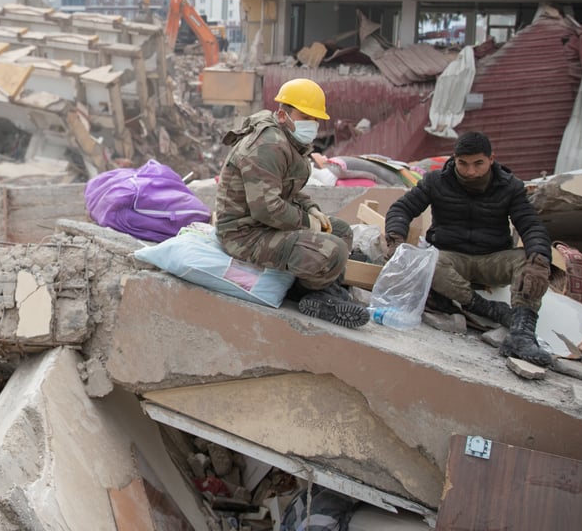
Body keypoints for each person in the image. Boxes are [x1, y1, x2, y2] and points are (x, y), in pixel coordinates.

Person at [383, 131, 554, 366]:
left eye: (478, 164)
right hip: (451, 257)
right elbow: (401, 209)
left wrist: (540, 257)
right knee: (429, 262)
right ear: (454, 159)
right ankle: (487, 309)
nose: (470, 171)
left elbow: (531, 224)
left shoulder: (510, 186)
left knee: (531, 263)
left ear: (491, 159)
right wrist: (395, 239)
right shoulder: (436, 181)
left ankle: (522, 333)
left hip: (493, 258)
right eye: (463, 164)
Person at [215, 78, 369, 327]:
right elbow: (267, 209)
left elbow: (287, 188)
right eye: (304, 115)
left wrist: (311, 209)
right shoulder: (267, 146)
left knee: (340, 230)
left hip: (262, 225)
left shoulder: (285, 141)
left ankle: (320, 289)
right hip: (243, 234)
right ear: (283, 113)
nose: (311, 123)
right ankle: (308, 294)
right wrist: (308, 223)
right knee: (333, 251)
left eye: (315, 118)